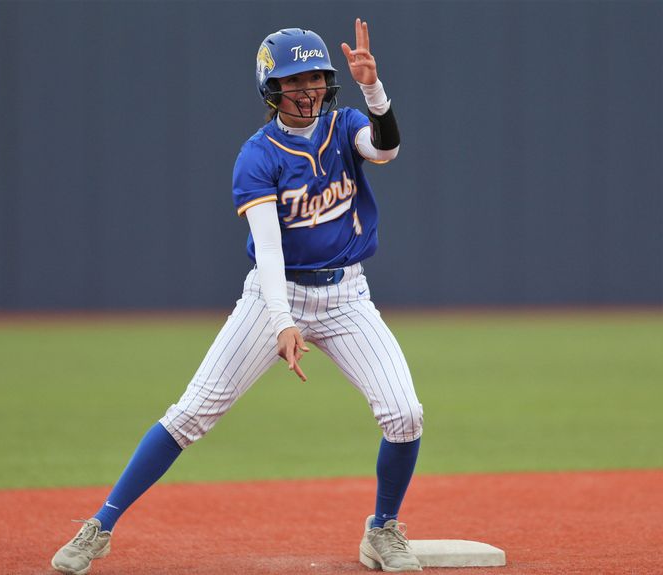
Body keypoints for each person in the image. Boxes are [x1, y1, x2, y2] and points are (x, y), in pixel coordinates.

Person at [51, 18, 424, 574]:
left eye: (316, 78)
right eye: (295, 82)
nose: (309, 90)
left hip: (347, 295)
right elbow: (269, 253)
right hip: (275, 296)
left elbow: (387, 149)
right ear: (271, 89)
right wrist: (280, 322)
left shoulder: (345, 125)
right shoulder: (257, 156)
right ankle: (99, 526)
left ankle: (382, 530)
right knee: (191, 414)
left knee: (405, 414)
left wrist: (373, 88)